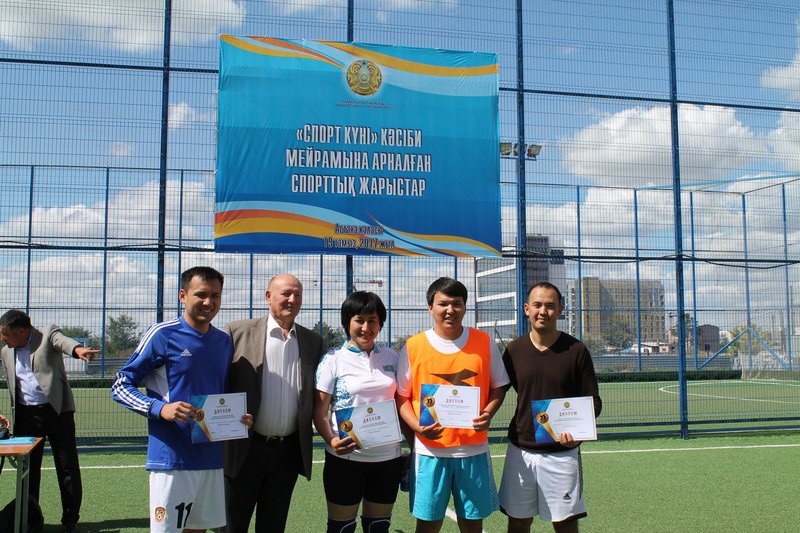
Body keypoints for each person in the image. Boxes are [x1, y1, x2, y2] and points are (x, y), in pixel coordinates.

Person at [111, 266, 251, 532]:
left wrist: (237, 418)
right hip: (172, 459)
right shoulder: (163, 334)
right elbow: (120, 385)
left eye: (215, 295)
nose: (209, 302)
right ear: (183, 296)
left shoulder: (223, 341)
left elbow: (219, 396)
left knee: (198, 529)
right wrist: (159, 408)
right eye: (201, 295)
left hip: (211, 459)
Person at [395, 277, 510, 533]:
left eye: (457, 304)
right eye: (443, 304)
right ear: (430, 308)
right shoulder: (414, 346)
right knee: (427, 524)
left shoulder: (484, 342)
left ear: (465, 307)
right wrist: (417, 427)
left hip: (473, 450)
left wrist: (488, 412)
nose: (450, 310)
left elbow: (499, 385)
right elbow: (401, 396)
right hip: (429, 452)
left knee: (472, 524)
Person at [224, 273, 326, 533]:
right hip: (245, 449)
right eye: (286, 293)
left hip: (287, 453)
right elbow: (218, 384)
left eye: (297, 294)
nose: (292, 299)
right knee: (232, 525)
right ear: (268, 297)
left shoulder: (313, 342)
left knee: (273, 525)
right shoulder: (236, 333)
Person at [498, 282, 602, 533]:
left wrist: (576, 432)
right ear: (527, 309)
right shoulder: (514, 350)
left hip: (561, 453)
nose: (543, 311)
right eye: (537, 305)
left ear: (561, 310)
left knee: (565, 524)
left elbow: (593, 402)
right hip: (520, 450)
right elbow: (497, 390)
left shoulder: (576, 350)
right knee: (518, 522)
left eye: (550, 306)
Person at [313, 291, 412, 533]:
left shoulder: (392, 356)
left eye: (373, 320)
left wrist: (413, 446)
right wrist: (332, 440)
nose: (366, 328)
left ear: (380, 323)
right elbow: (319, 413)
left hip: (388, 460)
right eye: (359, 320)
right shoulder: (333, 359)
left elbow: (402, 403)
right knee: (341, 528)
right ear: (347, 322)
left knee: (378, 527)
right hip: (347, 460)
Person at [0, 309, 99, 533]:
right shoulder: (6, 351)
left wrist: (78, 350)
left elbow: (62, 341)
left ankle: (70, 520)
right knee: (27, 470)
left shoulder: (46, 335)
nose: (2, 338)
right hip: (26, 417)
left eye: (5, 333)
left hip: (57, 413)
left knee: (67, 466)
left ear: (22, 331)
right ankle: (29, 519)